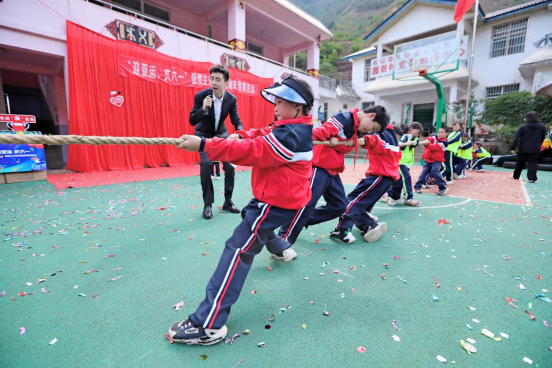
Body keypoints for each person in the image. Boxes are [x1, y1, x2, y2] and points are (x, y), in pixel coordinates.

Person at [169, 75, 315, 345]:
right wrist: (240, 133)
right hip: (279, 198)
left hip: (274, 202)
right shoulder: (293, 126)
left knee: (238, 250)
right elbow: (261, 133)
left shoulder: (291, 134)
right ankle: (282, 247)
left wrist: (205, 144)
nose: (275, 106)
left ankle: (208, 324)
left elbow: (255, 150)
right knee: (254, 219)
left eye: (281, 102)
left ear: (297, 107)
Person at [272, 106, 384, 260]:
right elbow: (321, 132)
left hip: (332, 169)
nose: (369, 131)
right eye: (373, 127)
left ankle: (301, 220)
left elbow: (344, 148)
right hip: (319, 166)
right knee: (306, 204)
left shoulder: (357, 130)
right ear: (371, 115)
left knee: (339, 206)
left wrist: (340, 143)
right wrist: (302, 137)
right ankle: (281, 243)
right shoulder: (344, 118)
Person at [329, 108, 399, 244]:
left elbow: (374, 140)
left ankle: (368, 225)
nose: (370, 130)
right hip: (384, 178)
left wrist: (357, 140)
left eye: (374, 128)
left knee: (350, 202)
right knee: (356, 203)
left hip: (379, 176)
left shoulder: (381, 133)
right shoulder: (392, 138)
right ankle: (349, 229)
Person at [189, 64, 242, 219]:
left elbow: (236, 121)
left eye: (218, 79)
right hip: (203, 135)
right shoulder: (201, 96)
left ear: (226, 83)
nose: (214, 83)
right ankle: (208, 204)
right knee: (206, 165)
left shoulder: (231, 99)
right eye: (212, 79)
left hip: (221, 136)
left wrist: (239, 134)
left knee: (230, 166)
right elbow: (192, 120)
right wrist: (202, 108)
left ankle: (228, 201)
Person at [383, 122, 423, 207]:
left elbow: (416, 143)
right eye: (417, 131)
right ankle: (409, 198)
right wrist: (405, 144)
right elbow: (401, 145)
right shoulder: (405, 136)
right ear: (411, 129)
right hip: (401, 162)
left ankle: (387, 193)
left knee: (400, 181)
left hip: (407, 163)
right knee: (406, 177)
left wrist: (412, 142)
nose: (418, 134)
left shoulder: (414, 138)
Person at [510, 111, 547, 183]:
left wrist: (513, 147)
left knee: (520, 163)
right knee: (533, 163)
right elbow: (544, 137)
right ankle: (532, 178)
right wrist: (539, 144)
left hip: (523, 149)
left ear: (527, 118)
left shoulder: (523, 127)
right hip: (535, 148)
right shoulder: (542, 127)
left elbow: (516, 138)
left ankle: (516, 175)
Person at [414, 127, 449, 196]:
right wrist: (426, 140)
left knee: (435, 170)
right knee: (424, 172)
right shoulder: (435, 137)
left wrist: (426, 144)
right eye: (439, 132)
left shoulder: (445, 143)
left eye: (442, 132)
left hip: (437, 160)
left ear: (447, 133)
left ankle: (442, 187)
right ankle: (418, 186)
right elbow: (429, 138)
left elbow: (434, 147)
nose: (439, 134)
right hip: (427, 159)